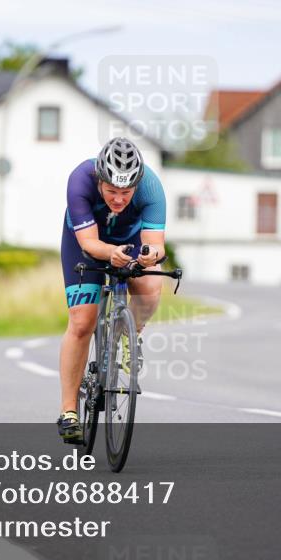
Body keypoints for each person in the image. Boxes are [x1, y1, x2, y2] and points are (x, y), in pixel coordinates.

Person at [56, 137, 167, 442]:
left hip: (131, 243)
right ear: (100, 180)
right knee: (82, 322)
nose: (119, 199)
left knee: (150, 286)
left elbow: (157, 246)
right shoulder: (81, 179)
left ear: (137, 185)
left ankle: (130, 335)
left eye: (126, 193)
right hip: (86, 243)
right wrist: (108, 253)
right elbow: (89, 244)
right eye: (111, 192)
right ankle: (69, 412)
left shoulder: (151, 188)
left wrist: (148, 257)